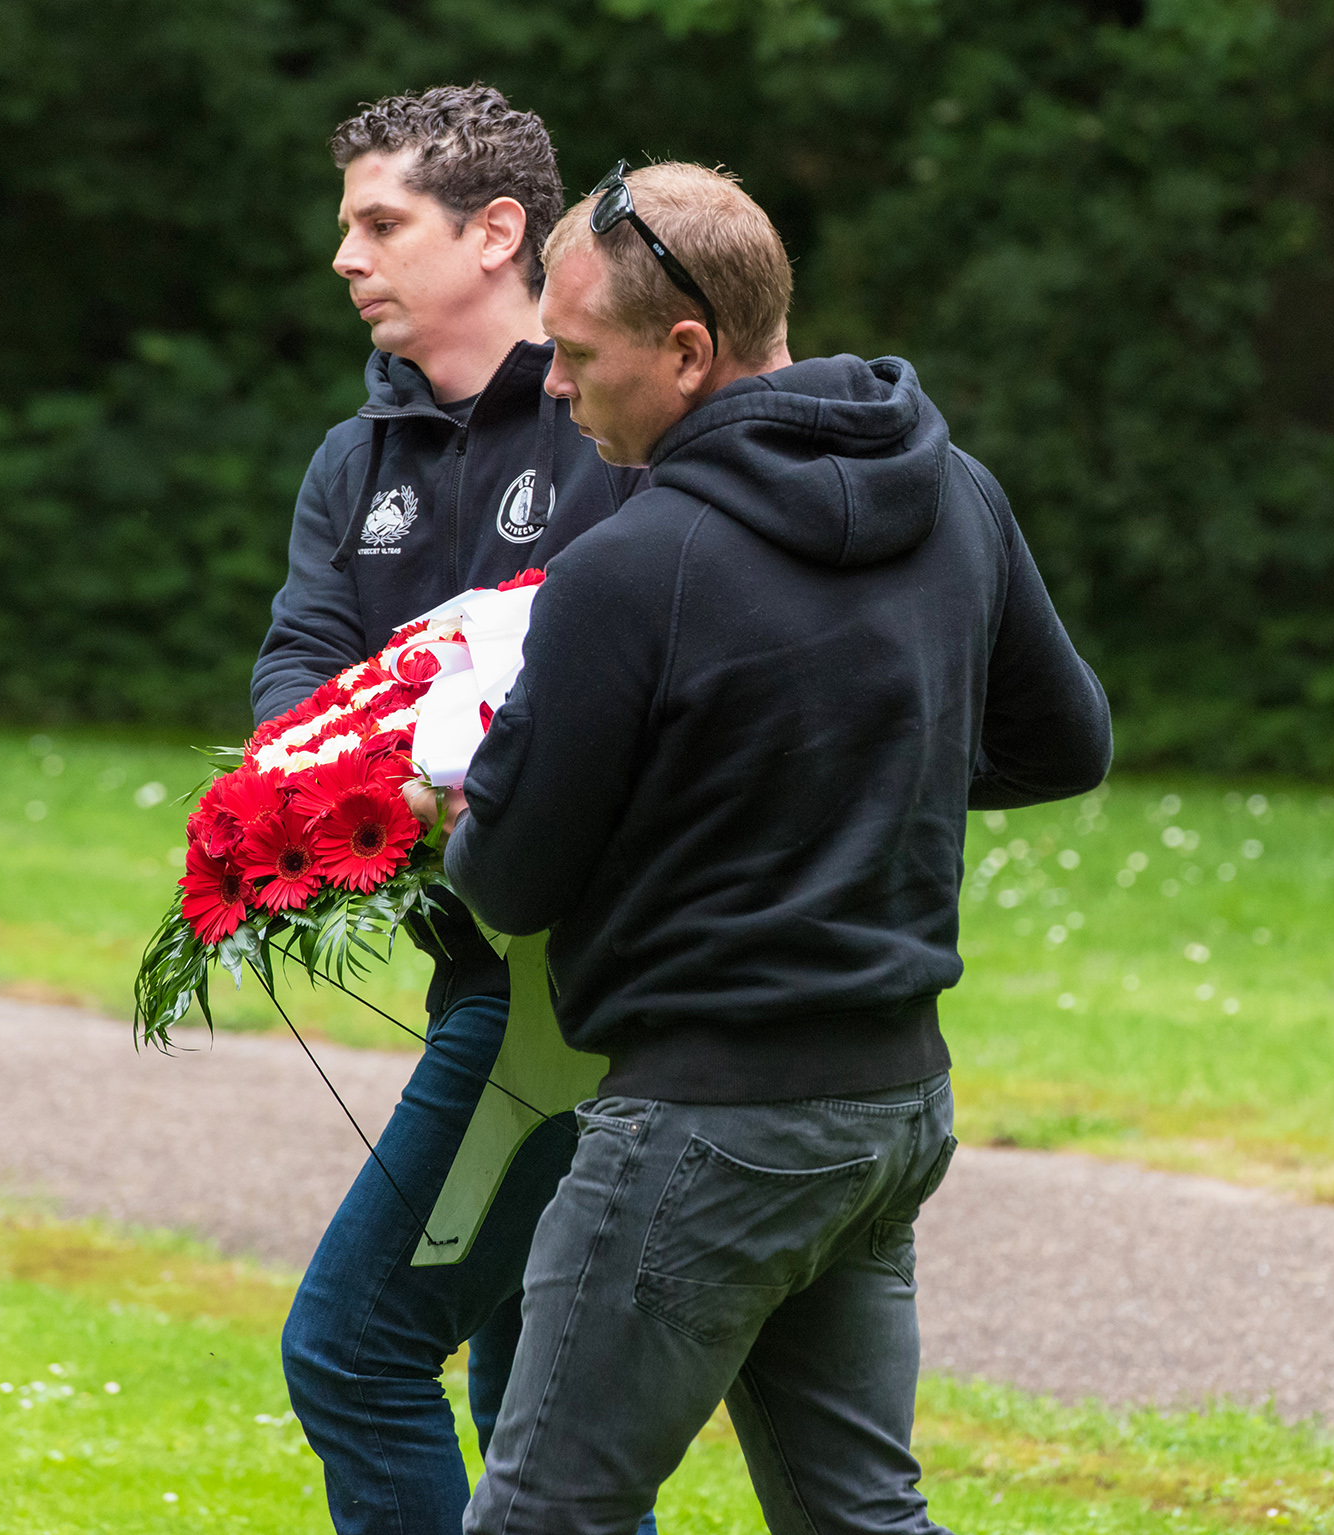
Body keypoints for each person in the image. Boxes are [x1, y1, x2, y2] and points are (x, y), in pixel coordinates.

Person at [432, 161, 1112, 1534]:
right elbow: (1066, 742)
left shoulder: (631, 568)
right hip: (887, 1114)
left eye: (574, 355)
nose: (553, 389)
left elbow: (509, 881)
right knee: (860, 1519)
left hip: (704, 1129)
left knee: (539, 1518)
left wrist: (465, 812)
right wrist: (854, 779)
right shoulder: (957, 492)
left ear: (687, 351)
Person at [252, 86, 656, 1535]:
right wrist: (346, 784)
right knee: (529, 1392)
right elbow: (295, 677)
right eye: (346, 224)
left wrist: (464, 775)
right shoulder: (351, 461)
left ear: (499, 234)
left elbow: (623, 715)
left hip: (572, 999)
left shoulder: (613, 426)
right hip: (468, 979)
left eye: (380, 223)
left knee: (353, 1352)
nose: (346, 256)